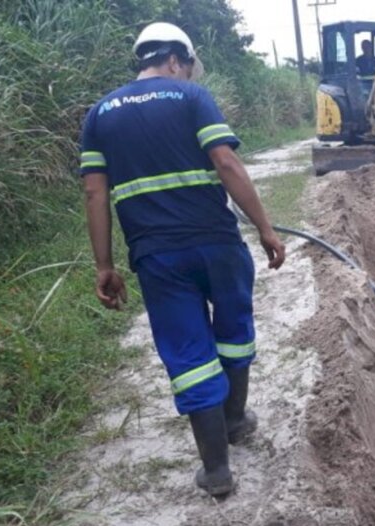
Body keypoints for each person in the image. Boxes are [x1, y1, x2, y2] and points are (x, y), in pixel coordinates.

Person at [79, 22, 285, 498]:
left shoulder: (100, 113)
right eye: (188, 67)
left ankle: (216, 470)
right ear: (176, 59)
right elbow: (227, 164)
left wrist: (104, 265)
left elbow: (94, 192)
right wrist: (266, 229)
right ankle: (234, 420)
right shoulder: (191, 98)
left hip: (158, 257)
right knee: (233, 332)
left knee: (189, 354)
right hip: (217, 244)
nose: (189, 74)